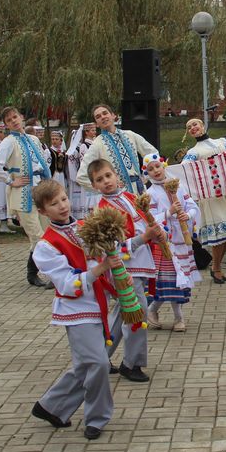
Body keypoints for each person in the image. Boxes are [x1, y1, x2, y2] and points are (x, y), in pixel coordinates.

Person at [29, 180, 116, 440]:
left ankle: (51, 407)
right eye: (54, 204)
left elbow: (107, 255)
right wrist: (100, 269)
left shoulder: (83, 228)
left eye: (64, 199)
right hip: (75, 309)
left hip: (97, 303)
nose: (62, 206)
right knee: (99, 363)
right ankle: (97, 418)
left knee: (85, 365)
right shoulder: (45, 247)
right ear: (43, 212)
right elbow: (67, 284)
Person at [87, 158, 163, 383]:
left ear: (117, 176)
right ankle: (132, 363)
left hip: (141, 265)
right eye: (99, 180)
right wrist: (143, 238)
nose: (106, 182)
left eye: (108, 176)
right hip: (124, 271)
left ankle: (100, 356)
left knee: (123, 313)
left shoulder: (131, 198)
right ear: (94, 186)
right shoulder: (101, 211)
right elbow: (109, 249)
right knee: (137, 313)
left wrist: (158, 234)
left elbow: (146, 224)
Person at [0, 106, 52, 289]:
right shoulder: (8, 142)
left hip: (40, 191)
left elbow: (42, 162)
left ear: (21, 117)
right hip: (22, 194)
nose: (14, 121)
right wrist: (11, 180)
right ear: (6, 125)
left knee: (46, 234)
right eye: (9, 120)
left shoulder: (33, 138)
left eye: (15, 117)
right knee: (38, 236)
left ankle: (32, 273)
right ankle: (52, 274)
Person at [182, 117, 226, 283]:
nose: (193, 128)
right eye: (189, 127)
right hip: (211, 196)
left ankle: (216, 266)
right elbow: (183, 168)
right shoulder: (193, 152)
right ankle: (216, 267)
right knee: (221, 233)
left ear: (202, 125)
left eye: (195, 124)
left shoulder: (221, 142)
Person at [142, 154, 201, 332]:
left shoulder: (178, 187)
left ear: (164, 166)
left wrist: (187, 215)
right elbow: (149, 219)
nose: (155, 171)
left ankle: (157, 312)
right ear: (147, 173)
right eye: (150, 169)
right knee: (171, 281)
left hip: (181, 240)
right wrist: (169, 212)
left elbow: (192, 206)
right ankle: (176, 318)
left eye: (157, 166)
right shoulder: (150, 194)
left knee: (178, 280)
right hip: (165, 243)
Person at [76, 103, 159, 195]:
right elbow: (81, 177)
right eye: (98, 116)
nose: (103, 117)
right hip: (119, 195)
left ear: (113, 115)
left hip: (140, 191)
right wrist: (106, 188)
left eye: (105, 113)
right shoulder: (97, 144)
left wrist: (146, 175)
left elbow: (153, 153)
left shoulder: (130, 135)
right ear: (96, 124)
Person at [67, 123, 98, 220]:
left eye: (94, 130)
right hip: (90, 174)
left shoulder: (95, 143)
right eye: (92, 130)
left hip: (96, 172)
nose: (94, 132)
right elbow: (84, 162)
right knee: (90, 198)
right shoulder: (84, 146)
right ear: (87, 132)